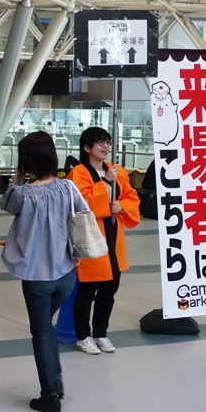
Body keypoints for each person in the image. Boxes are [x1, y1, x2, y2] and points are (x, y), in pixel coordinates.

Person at [0, 131, 86, 412]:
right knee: (46, 328)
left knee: (41, 334)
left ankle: (50, 395)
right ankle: (56, 379)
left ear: (26, 161)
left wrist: (17, 174)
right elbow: (83, 216)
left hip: (37, 277)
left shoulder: (23, 194)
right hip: (65, 274)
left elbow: (6, 204)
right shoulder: (69, 188)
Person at [67, 127, 139, 355]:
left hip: (113, 237)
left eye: (107, 142)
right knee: (87, 290)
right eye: (100, 142)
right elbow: (81, 203)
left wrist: (122, 206)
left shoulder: (118, 172)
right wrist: (106, 182)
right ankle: (83, 336)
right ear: (87, 148)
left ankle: (100, 333)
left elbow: (130, 196)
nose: (105, 146)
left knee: (110, 288)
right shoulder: (78, 173)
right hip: (90, 238)